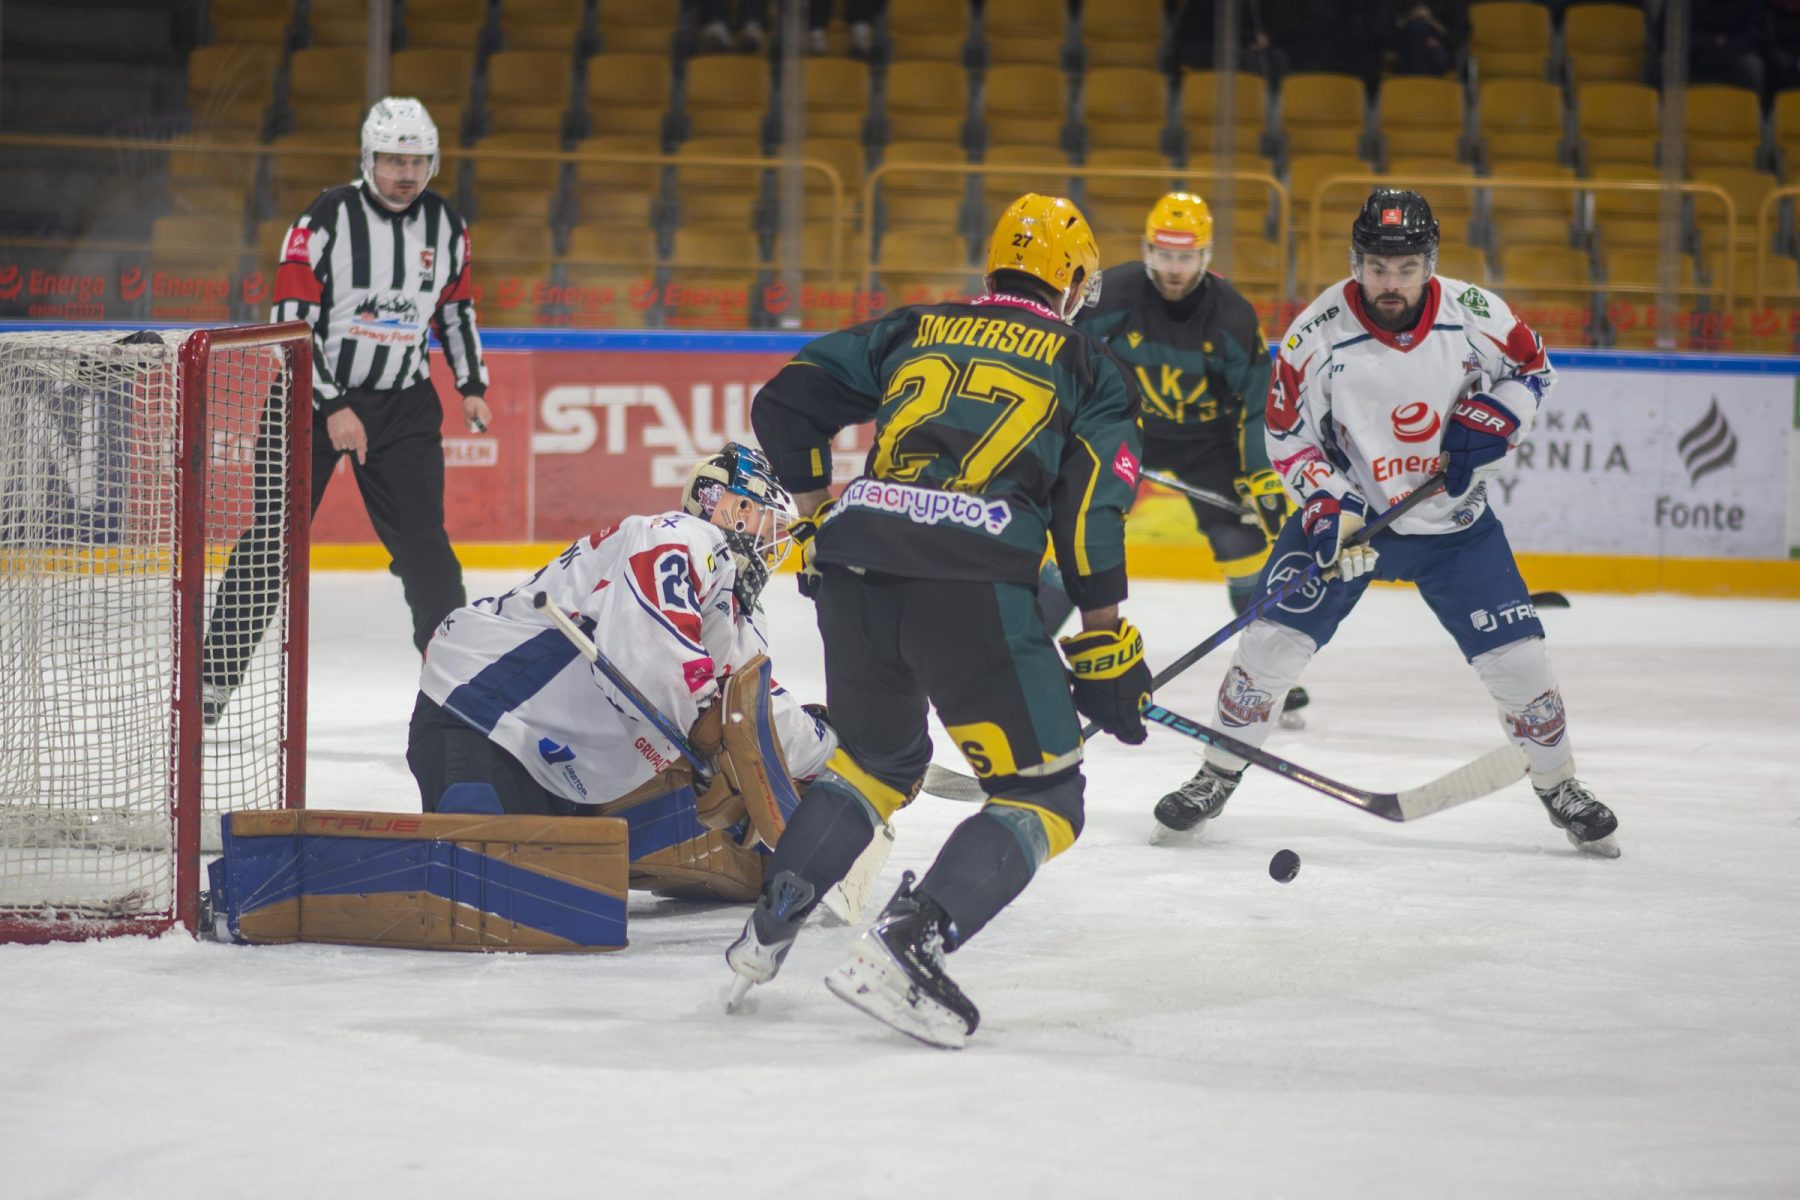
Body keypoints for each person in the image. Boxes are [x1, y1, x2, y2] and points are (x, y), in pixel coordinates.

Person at [724, 193, 1152, 1048]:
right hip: (971, 580)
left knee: (874, 762)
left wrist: (816, 517)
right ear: (1073, 284)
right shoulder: (1091, 365)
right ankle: (909, 943)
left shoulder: (914, 327)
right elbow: (1088, 517)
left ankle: (771, 923)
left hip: (856, 565)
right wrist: (1104, 639)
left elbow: (785, 402)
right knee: (1044, 795)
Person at [1149, 188, 1620, 860]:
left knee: (1522, 662)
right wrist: (1327, 506)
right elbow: (1286, 434)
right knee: (1267, 650)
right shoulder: (1315, 333)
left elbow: (1532, 369)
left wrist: (1501, 414)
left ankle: (1559, 783)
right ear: (1356, 262)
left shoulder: (1477, 313)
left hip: (1455, 529)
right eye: (1376, 267)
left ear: (1430, 263)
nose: (1390, 283)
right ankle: (1216, 774)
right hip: (1354, 523)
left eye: (1405, 268)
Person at [408, 444, 836, 893]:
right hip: (488, 718)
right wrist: (711, 729)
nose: (777, 542)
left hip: (568, 770)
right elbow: (649, 655)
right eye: (772, 523)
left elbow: (749, 706)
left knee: (542, 897)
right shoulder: (679, 536)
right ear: (740, 509)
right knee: (477, 890)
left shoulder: (738, 612)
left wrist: (833, 754)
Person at [201, 98, 490, 723]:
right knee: (271, 541)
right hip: (310, 399)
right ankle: (211, 685)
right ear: (368, 159)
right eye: (393, 161)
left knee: (427, 552)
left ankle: (458, 691)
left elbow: (455, 310)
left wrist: (471, 384)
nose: (405, 174)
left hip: (404, 406)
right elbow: (289, 321)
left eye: (417, 161)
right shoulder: (326, 217)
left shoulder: (447, 224)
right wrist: (331, 403)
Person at [1073, 192, 1306, 722]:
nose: (1174, 268)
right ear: (1147, 250)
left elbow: (1255, 403)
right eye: (1164, 254)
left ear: (1205, 256)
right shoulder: (1109, 295)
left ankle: (1268, 676)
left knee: (1242, 545)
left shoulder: (1232, 315)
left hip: (1208, 443)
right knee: (1079, 530)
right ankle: (1023, 651)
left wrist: (1261, 477)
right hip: (1127, 430)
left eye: (1185, 256)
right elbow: (1067, 357)